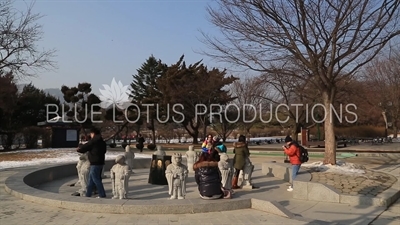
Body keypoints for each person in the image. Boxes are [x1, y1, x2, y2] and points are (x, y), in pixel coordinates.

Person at [76, 127, 107, 198]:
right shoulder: (102, 141)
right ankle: (88, 194)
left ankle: (102, 194)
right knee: (91, 180)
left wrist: (79, 148)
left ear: (93, 133)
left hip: (94, 162)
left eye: (91, 133)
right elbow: (104, 151)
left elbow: (85, 147)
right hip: (101, 162)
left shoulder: (94, 141)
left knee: (96, 179)